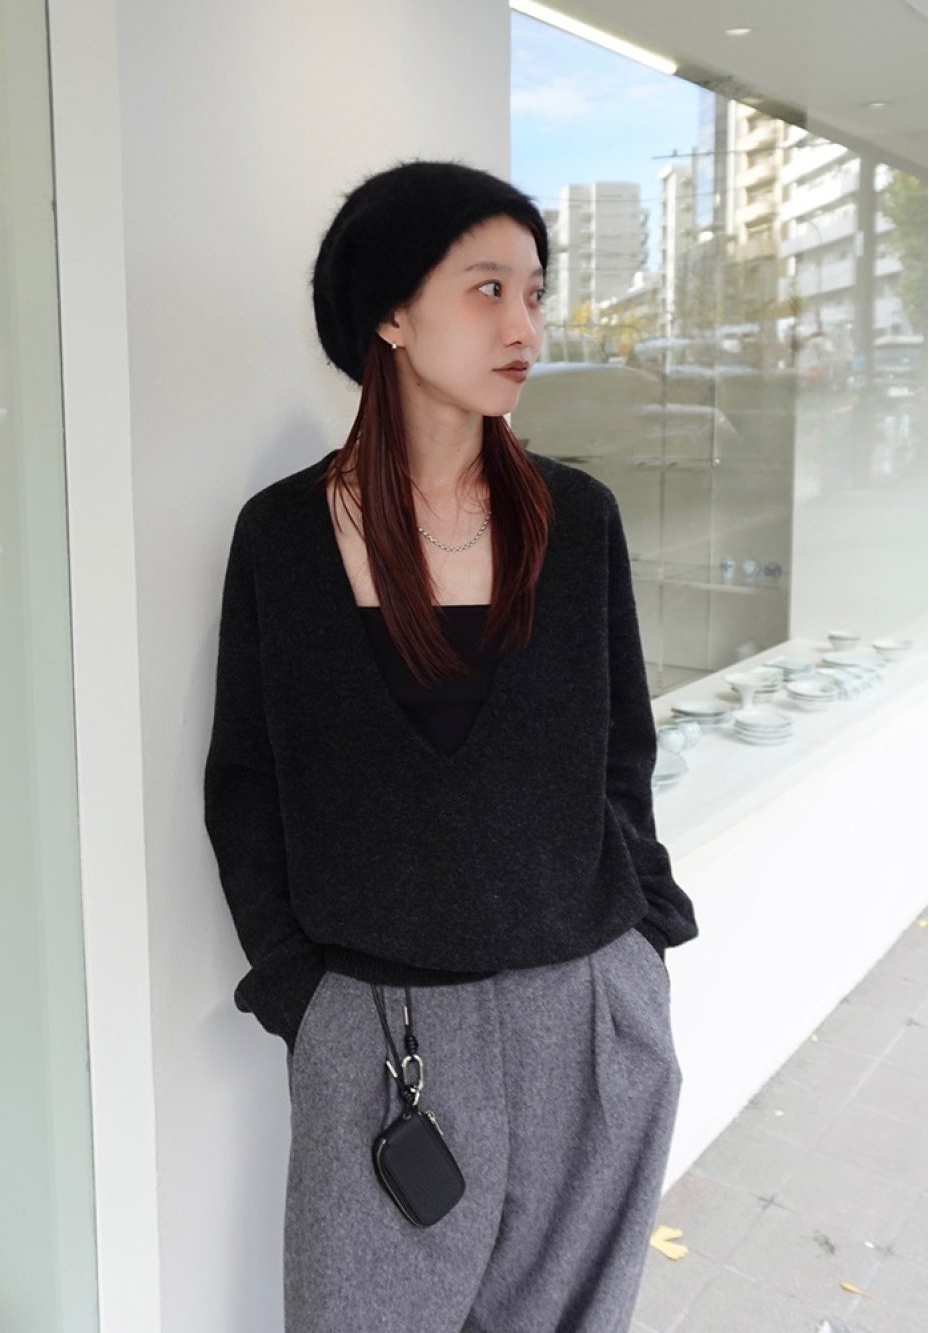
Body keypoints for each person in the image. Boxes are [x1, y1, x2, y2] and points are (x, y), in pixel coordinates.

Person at [203, 159, 698, 1332]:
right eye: (487, 289)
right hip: (377, 1029)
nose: (525, 326)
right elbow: (246, 782)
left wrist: (641, 950)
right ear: (389, 312)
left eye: (534, 292)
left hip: (583, 1010)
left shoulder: (577, 522)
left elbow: (620, 755)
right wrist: (305, 996)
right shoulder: (283, 537)